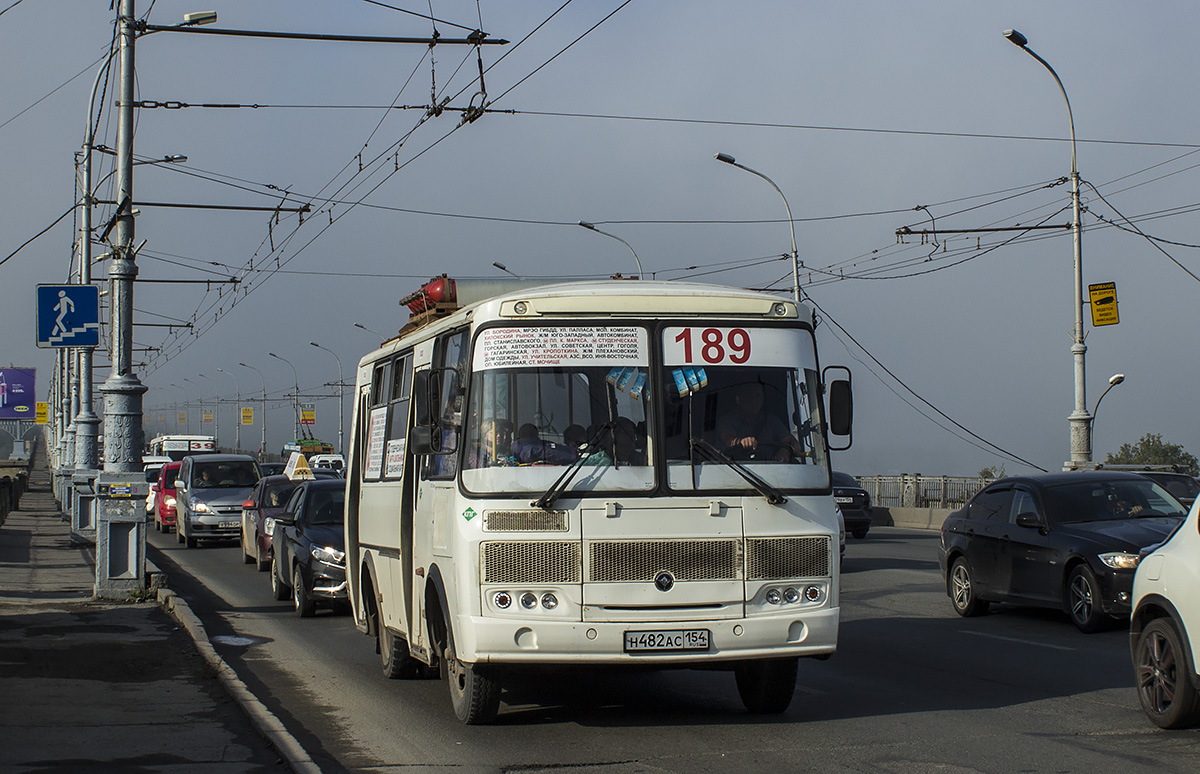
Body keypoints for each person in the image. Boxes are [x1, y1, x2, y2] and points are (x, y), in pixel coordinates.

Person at [716, 382, 802, 461]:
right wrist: (741, 442)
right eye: (749, 396)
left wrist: (785, 450)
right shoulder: (727, 420)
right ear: (738, 400)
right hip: (732, 470)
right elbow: (727, 440)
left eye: (758, 396)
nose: (754, 400)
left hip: (770, 472)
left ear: (763, 399)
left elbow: (793, 442)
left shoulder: (771, 420)